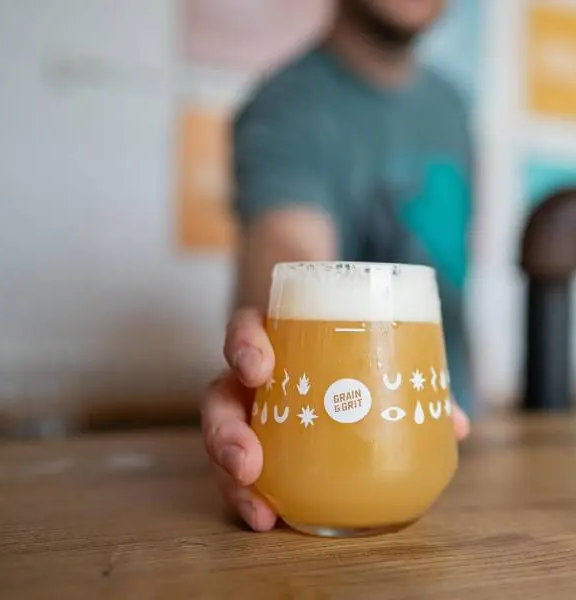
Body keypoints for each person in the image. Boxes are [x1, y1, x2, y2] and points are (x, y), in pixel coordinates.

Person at [200, 0, 474, 532]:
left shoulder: (453, 106)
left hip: (451, 440)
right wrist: (264, 337)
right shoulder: (287, 105)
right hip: (335, 452)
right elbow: (289, 250)